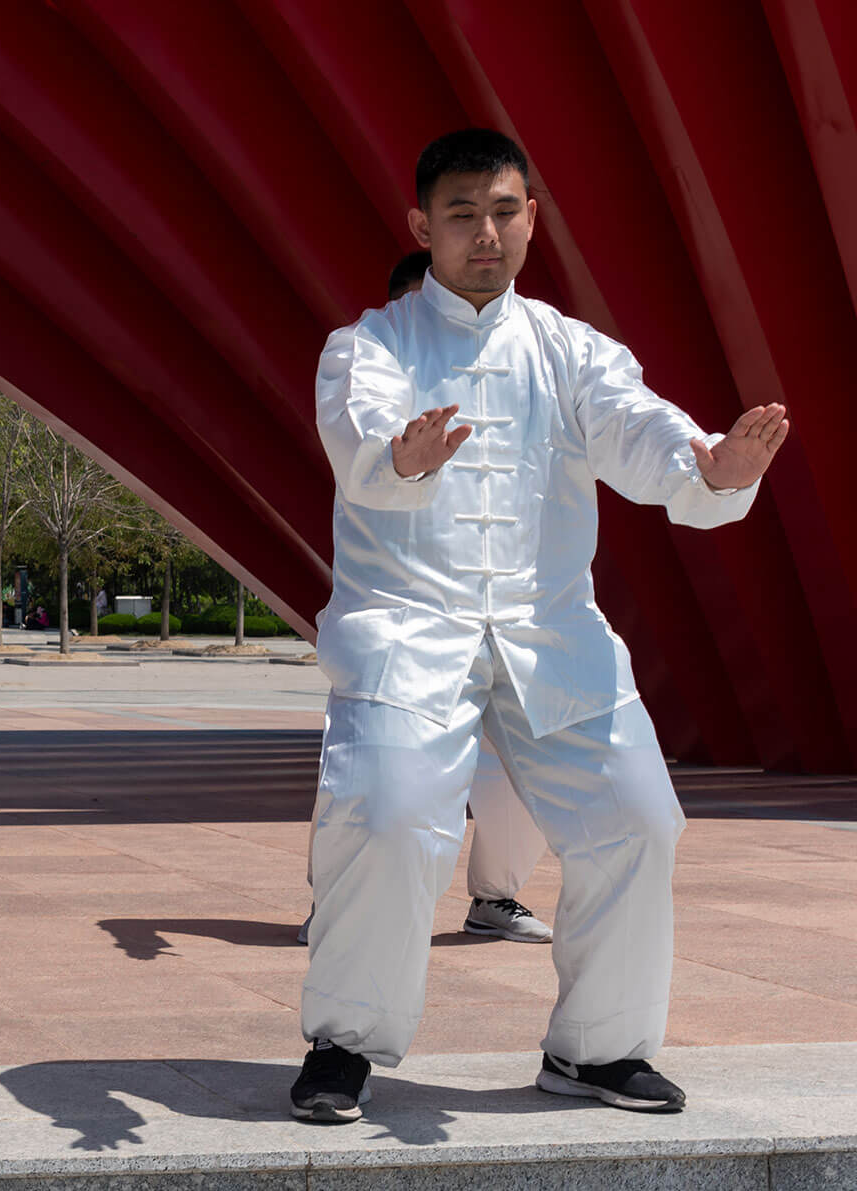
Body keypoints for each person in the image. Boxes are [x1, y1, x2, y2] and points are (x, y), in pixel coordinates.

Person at [294, 129, 788, 1122]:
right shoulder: (370, 346)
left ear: (534, 218)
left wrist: (706, 466)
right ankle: (344, 1046)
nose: (487, 233)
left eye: (505, 212)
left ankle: (598, 1052)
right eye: (465, 214)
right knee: (385, 819)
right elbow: (362, 439)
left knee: (639, 822)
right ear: (422, 227)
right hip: (410, 628)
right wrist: (407, 456)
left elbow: (640, 429)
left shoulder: (570, 350)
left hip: (549, 631)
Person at [296, 250, 552, 949]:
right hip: (400, 626)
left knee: (527, 769)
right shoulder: (367, 391)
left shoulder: (508, 388)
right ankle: (338, 905)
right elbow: (365, 462)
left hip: (501, 623)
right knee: (365, 779)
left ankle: (495, 896)